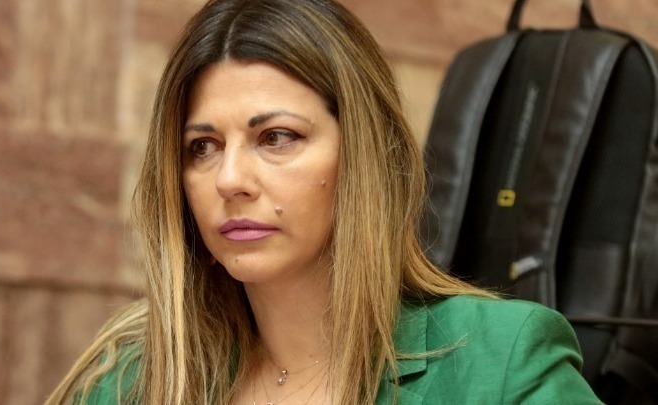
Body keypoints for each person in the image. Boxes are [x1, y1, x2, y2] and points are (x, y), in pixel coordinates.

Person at [47, 0, 602, 403]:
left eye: (276, 137)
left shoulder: (501, 362)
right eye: (203, 147)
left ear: (363, 155)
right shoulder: (132, 380)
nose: (230, 179)